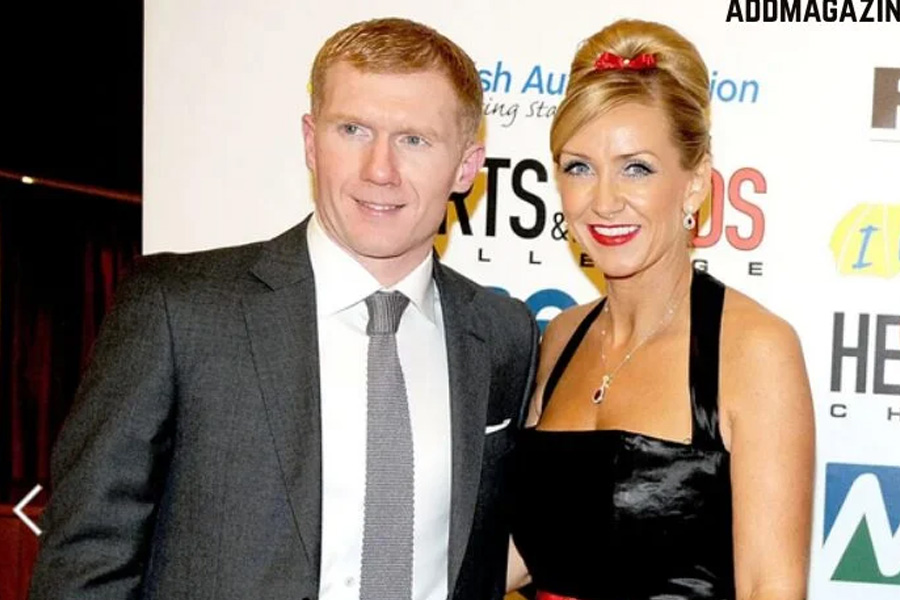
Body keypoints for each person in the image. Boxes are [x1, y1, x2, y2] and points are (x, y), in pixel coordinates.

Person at [29, 17, 538, 600]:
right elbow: (85, 562)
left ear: (467, 167)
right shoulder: (178, 307)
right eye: (353, 129)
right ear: (310, 141)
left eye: (414, 140)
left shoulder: (502, 335)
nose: (380, 169)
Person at [507, 19, 814, 600]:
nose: (603, 201)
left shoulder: (753, 349)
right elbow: (527, 550)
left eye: (636, 168)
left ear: (695, 184)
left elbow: (770, 586)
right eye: (579, 167)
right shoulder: (562, 337)